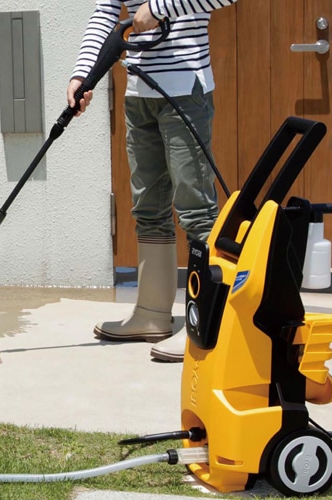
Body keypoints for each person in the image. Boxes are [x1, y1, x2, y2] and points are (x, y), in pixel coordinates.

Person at [67, 0, 237, 362]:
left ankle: (205, 327)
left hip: (185, 89)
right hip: (139, 92)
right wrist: (84, 73)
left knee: (196, 209)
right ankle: (152, 314)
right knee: (148, 208)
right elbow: (106, 12)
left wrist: (159, 7)